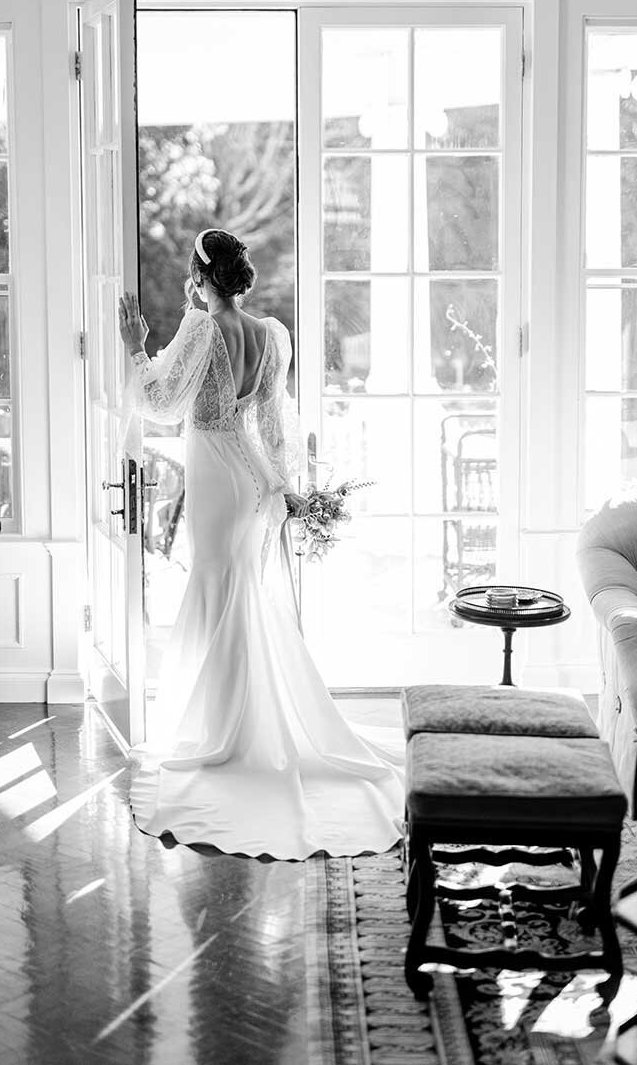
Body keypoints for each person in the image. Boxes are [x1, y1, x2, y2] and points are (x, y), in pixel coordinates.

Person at [118, 228, 404, 859]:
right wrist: (282, 486)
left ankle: (224, 731)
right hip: (253, 478)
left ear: (200, 277)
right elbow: (275, 421)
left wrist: (135, 351)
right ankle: (244, 721)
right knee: (236, 590)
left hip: (218, 473)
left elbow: (162, 403)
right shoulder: (272, 334)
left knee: (217, 586)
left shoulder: (202, 329)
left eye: (192, 278)